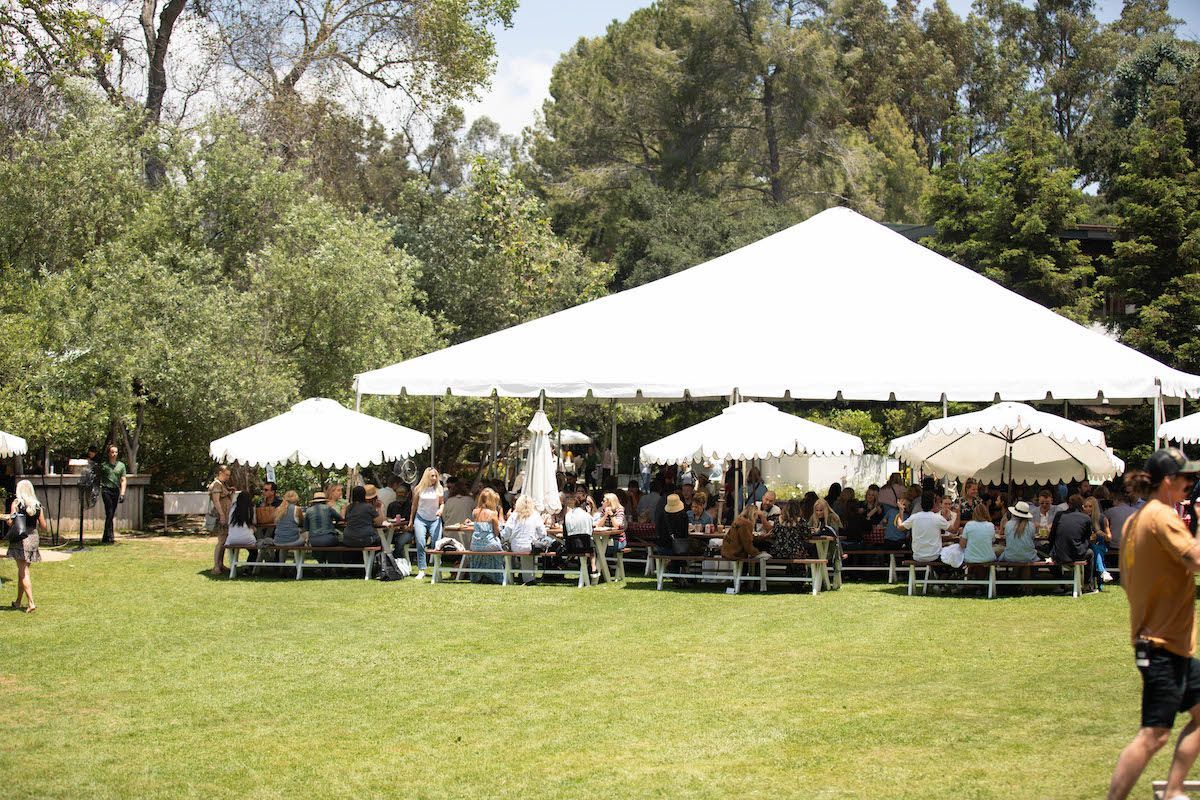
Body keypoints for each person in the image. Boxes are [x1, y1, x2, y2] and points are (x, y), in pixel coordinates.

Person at [1107, 449, 1200, 800]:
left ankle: (1174, 789)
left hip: (1169, 641)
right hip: (1160, 644)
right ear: (1167, 482)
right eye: (1186, 478)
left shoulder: (1136, 519)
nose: (1191, 484)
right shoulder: (1163, 516)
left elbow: (1128, 582)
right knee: (1154, 735)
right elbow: (1196, 561)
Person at [7, 480, 47, 612]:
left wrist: (8, 518)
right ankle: (18, 601)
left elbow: (10, 523)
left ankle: (31, 603)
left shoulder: (17, 504)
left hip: (21, 539)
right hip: (33, 538)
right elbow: (43, 526)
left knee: (24, 573)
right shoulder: (37, 505)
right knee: (22, 572)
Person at [898, 490, 955, 564]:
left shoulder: (914, 517)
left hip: (917, 556)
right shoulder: (938, 518)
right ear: (933, 504)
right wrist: (958, 513)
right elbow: (954, 530)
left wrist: (901, 511)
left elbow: (900, 527)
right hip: (935, 556)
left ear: (921, 504)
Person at [1049, 494, 1094, 586]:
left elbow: (1051, 536)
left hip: (1060, 553)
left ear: (1068, 504)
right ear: (1082, 506)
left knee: (1048, 554)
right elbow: (1088, 537)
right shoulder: (1086, 518)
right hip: (1077, 553)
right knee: (1091, 553)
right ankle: (1087, 583)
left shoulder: (1059, 515)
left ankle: (1060, 582)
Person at [409, 468, 445, 581]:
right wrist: (411, 520)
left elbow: (442, 503)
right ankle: (421, 570)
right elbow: (414, 506)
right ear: (426, 476)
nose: (434, 478)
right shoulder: (419, 489)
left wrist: (441, 510)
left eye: (435, 476)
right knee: (420, 542)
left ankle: (437, 569)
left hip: (435, 519)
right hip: (420, 518)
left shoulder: (439, 489)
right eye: (432, 476)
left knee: (436, 544)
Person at [502, 494, 546, 585]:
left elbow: (506, 533)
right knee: (527, 551)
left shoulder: (514, 515)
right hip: (530, 546)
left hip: (515, 546)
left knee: (509, 549)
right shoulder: (535, 515)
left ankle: (513, 576)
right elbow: (543, 533)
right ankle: (528, 579)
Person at [469, 488, 505, 584]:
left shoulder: (475, 512)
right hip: (489, 543)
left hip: (475, 544)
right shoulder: (493, 514)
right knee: (499, 547)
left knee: (484, 551)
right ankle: (495, 577)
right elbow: (497, 532)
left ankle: (480, 576)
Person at [97, 443, 128, 544]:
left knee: (111, 514)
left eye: (116, 452)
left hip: (115, 490)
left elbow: (123, 480)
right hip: (106, 489)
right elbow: (97, 476)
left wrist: (122, 494)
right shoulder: (104, 465)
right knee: (109, 512)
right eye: (112, 452)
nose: (114, 454)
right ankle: (108, 536)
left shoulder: (121, 465)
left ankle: (108, 537)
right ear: (108, 453)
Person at [564, 491, 598, 583]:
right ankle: (594, 568)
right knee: (593, 547)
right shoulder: (587, 515)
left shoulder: (568, 515)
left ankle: (590, 571)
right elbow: (591, 531)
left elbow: (565, 533)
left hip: (571, 547)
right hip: (586, 546)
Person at [1084, 495, 1114, 584]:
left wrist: (1101, 533)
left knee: (1096, 549)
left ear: (1095, 507)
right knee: (1095, 549)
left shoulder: (1102, 518)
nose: (1088, 509)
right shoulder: (1082, 518)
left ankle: (1101, 573)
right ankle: (1103, 572)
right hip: (1086, 546)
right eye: (1085, 506)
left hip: (1101, 545)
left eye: (1090, 506)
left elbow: (1109, 538)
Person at [209, 465, 233, 575]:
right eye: (226, 474)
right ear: (220, 473)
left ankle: (220, 564)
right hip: (221, 515)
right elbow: (216, 501)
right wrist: (222, 515)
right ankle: (216, 566)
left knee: (224, 541)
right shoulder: (216, 484)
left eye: (229, 475)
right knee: (221, 541)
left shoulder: (223, 484)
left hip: (226, 515)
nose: (228, 477)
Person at [342, 485, 383, 549]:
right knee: (381, 539)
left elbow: (346, 520)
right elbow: (379, 523)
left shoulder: (349, 507)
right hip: (364, 539)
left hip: (348, 540)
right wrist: (379, 508)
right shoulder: (368, 507)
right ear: (364, 495)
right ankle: (375, 558)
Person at [961, 503, 997, 574]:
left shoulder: (969, 525)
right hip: (987, 557)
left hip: (970, 558)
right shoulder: (990, 525)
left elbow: (962, 544)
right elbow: (992, 541)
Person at [878, 473, 907, 547]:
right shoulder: (901, 487)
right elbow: (904, 498)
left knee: (888, 526)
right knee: (897, 526)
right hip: (895, 509)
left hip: (884, 509)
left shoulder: (883, 488)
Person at [225, 491, 257, 556]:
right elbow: (254, 522)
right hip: (248, 539)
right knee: (254, 552)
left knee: (234, 547)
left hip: (231, 540)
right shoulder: (251, 507)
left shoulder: (233, 507)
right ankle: (251, 565)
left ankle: (233, 563)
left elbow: (228, 521)